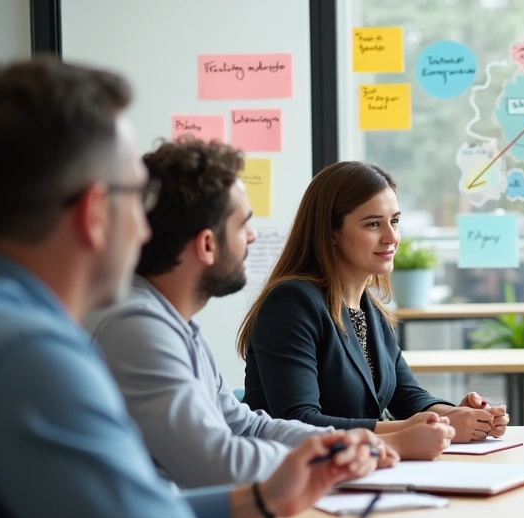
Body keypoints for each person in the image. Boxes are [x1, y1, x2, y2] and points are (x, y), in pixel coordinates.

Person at [0, 59, 393, 518]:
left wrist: (259, 499)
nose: (149, 227)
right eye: (137, 193)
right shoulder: (29, 362)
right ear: (94, 211)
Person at [88, 137, 399, 488]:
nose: (252, 236)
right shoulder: (137, 329)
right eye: (242, 225)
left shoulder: (176, 324)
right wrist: (332, 456)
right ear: (207, 244)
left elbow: (247, 425)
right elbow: (217, 462)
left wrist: (340, 442)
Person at [239, 161, 507, 459]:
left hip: (353, 475)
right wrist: (407, 432)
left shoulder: (371, 310)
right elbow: (298, 422)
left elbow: (409, 397)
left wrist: (462, 416)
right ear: (330, 232)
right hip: (291, 482)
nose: (391, 237)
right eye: (373, 224)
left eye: (394, 221)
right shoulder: (292, 302)